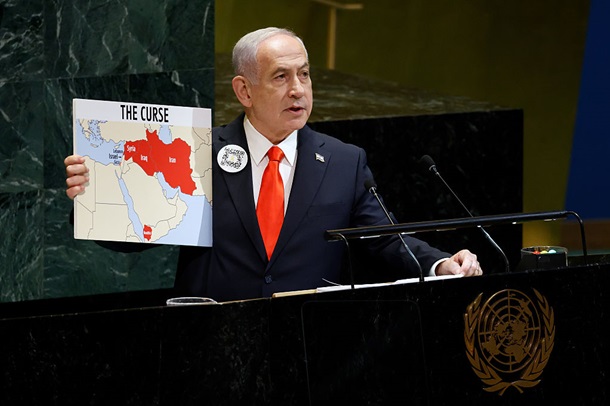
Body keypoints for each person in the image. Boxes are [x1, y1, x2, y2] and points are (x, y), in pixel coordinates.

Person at [64, 27, 482, 302]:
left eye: (305, 75)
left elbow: (385, 240)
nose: (297, 89)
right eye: (281, 77)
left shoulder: (343, 161)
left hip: (308, 346)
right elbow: (133, 236)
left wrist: (440, 264)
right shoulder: (195, 153)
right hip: (212, 345)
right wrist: (92, 194)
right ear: (244, 91)